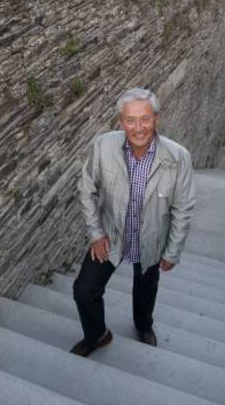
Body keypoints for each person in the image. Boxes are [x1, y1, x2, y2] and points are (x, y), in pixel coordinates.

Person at [71, 87, 195, 357]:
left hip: (151, 238)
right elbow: (86, 189)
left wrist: (173, 251)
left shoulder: (178, 158)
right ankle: (97, 335)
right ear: (120, 122)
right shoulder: (103, 146)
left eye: (145, 119)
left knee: (146, 285)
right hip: (111, 234)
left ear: (157, 120)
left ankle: (144, 325)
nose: (138, 128)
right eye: (130, 120)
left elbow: (183, 208)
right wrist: (95, 233)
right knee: (84, 290)